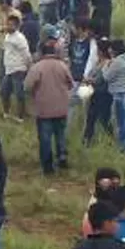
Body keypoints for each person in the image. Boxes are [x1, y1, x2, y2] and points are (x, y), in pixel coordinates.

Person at [24, 43, 75, 174]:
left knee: (45, 138)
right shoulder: (62, 66)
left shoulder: (37, 67)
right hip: (61, 108)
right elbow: (71, 84)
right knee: (60, 135)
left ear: (41, 53)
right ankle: (62, 158)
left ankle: (48, 166)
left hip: (43, 109)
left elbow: (27, 87)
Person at [67, 18, 99, 126]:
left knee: (86, 107)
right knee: (71, 103)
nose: (72, 29)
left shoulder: (91, 43)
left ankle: (86, 131)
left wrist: (86, 76)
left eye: (74, 27)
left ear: (80, 28)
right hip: (74, 78)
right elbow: (70, 58)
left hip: (85, 80)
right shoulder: (73, 41)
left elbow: (92, 60)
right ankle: (70, 128)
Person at [103, 39, 125, 152]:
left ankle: (123, 147)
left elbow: (107, 77)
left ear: (115, 49)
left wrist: (106, 65)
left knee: (120, 123)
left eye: (111, 48)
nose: (109, 50)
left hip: (118, 94)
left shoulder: (117, 62)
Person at [84, 38, 115, 146]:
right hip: (95, 94)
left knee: (104, 118)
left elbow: (100, 80)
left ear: (101, 51)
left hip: (104, 95)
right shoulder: (99, 62)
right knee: (91, 117)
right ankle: (87, 140)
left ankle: (111, 139)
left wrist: (89, 80)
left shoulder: (107, 63)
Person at [1, 16, 31, 121]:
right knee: (4, 91)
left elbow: (26, 54)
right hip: (8, 69)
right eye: (7, 24)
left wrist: (28, 67)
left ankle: (20, 117)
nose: (8, 26)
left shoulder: (20, 38)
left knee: (19, 94)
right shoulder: (7, 36)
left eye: (11, 25)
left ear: (17, 26)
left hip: (18, 69)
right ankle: (6, 113)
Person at [81, 168, 122, 238]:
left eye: (117, 184)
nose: (114, 188)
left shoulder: (114, 203)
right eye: (108, 184)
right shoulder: (96, 207)